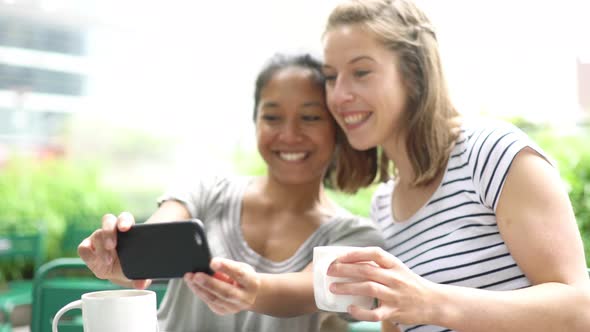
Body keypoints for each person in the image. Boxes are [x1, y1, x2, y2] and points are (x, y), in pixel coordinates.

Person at [319, 1, 590, 331]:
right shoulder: (383, 206)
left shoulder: (491, 153)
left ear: (413, 72)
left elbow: (579, 307)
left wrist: (431, 303)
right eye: (331, 77)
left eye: (361, 72)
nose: (340, 94)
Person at [78, 53, 385, 332]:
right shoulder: (207, 191)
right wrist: (120, 254)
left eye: (310, 117)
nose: (289, 134)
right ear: (255, 123)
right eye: (272, 117)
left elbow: (310, 290)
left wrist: (252, 292)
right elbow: (150, 244)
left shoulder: (357, 239)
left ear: (338, 128)